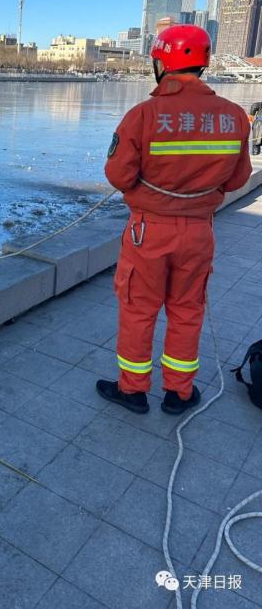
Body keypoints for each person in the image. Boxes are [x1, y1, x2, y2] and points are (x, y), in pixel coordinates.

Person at [97, 25, 252, 415]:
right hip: (199, 233)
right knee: (187, 311)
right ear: (203, 63)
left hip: (148, 232)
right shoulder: (234, 117)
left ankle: (132, 391)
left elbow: (118, 176)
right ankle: (178, 393)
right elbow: (237, 179)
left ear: (161, 63)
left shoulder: (143, 116)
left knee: (138, 310)